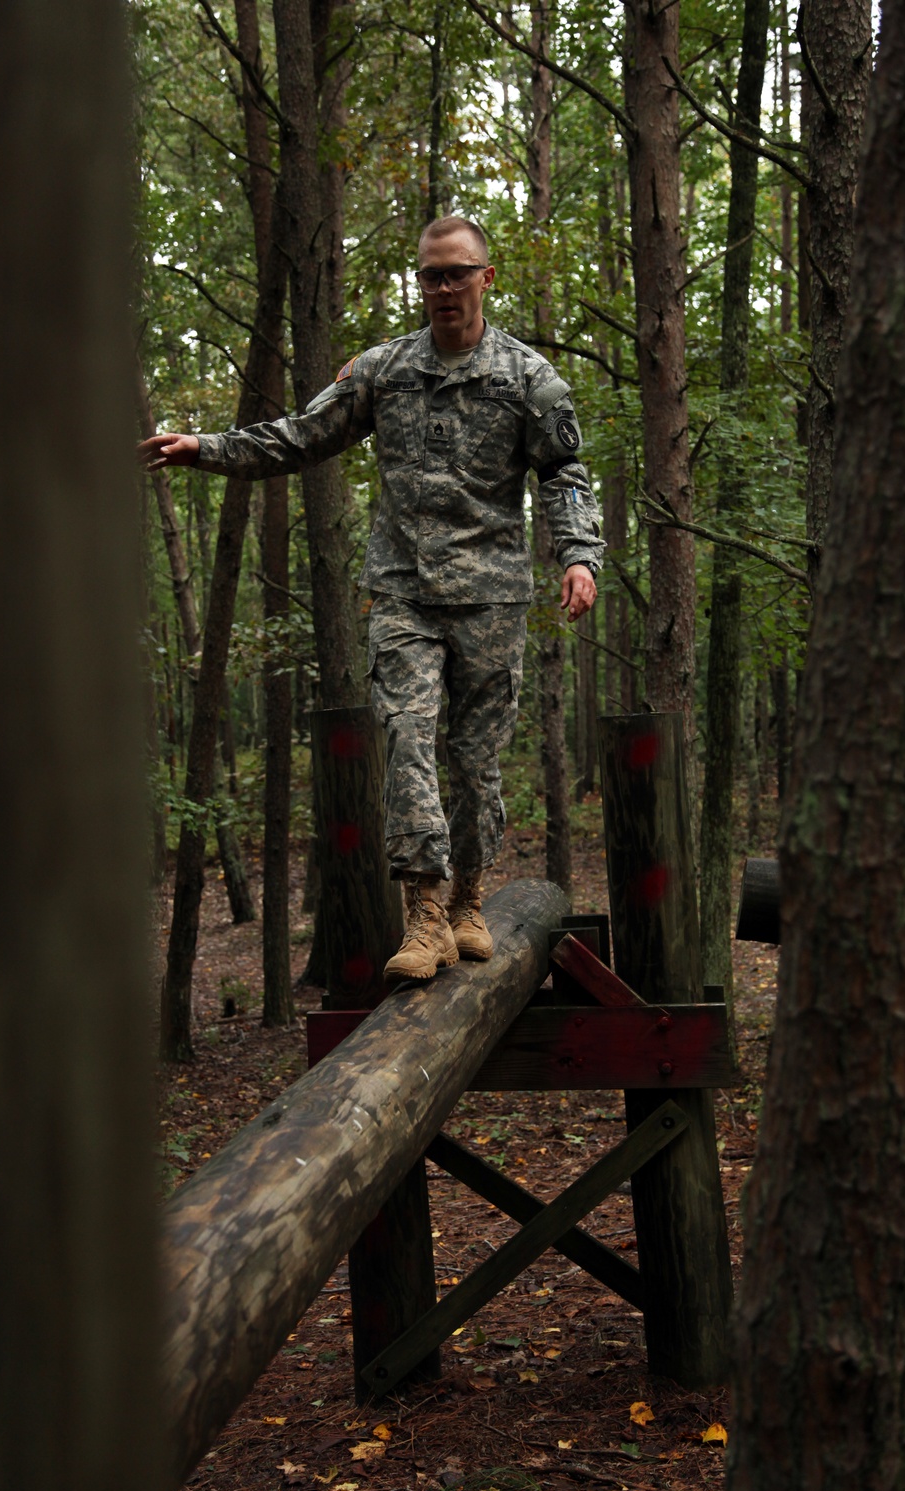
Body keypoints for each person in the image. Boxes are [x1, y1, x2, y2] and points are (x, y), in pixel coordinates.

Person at [139, 215, 602, 982]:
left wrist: (580, 557)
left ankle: (468, 901)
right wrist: (205, 449)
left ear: (487, 278)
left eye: (457, 273)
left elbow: (565, 474)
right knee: (410, 738)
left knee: (477, 764)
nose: (443, 288)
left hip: (491, 598)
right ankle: (423, 917)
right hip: (404, 595)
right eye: (430, 275)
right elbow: (300, 435)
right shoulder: (384, 371)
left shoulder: (528, 378)